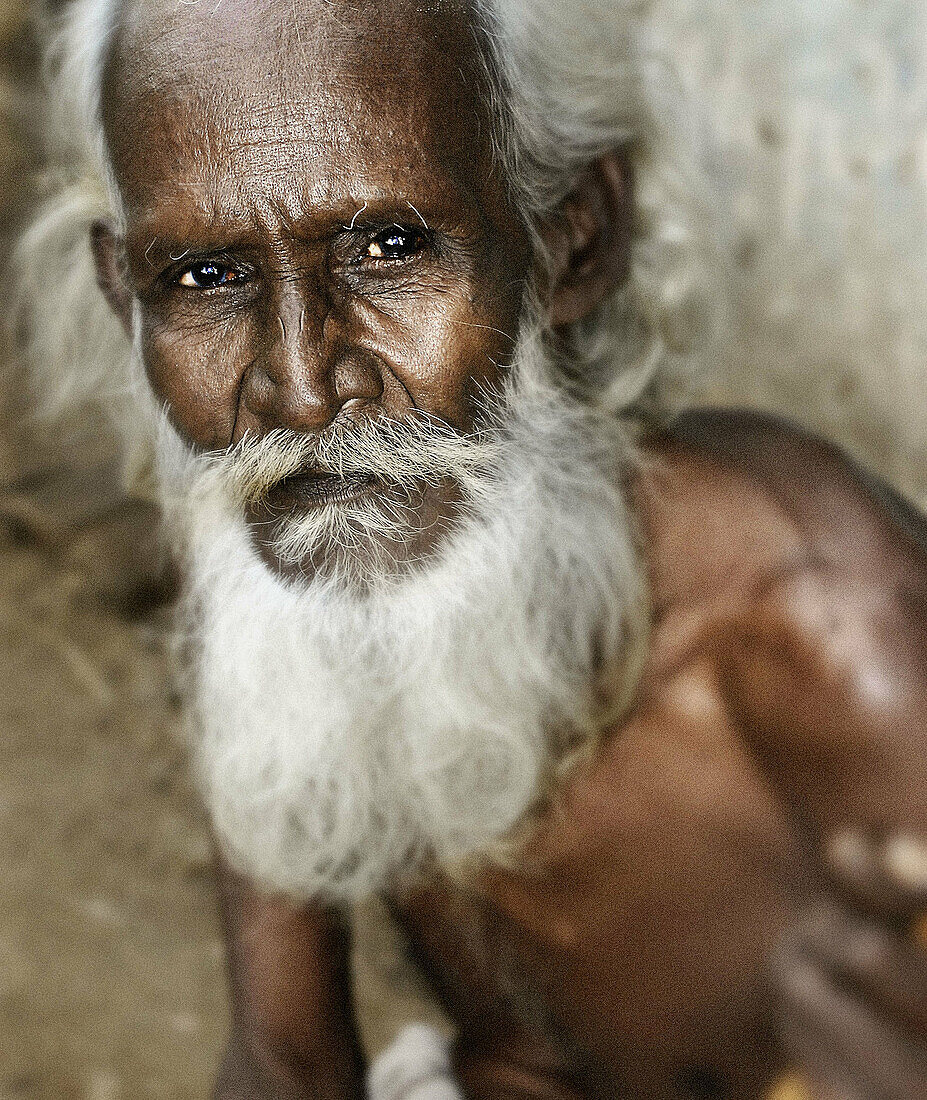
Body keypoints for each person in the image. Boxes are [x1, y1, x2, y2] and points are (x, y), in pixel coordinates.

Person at [13, 0, 927, 1097]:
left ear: (571, 237)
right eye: (207, 277)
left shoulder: (833, 634)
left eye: (391, 247)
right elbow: (287, 1057)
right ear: (126, 293)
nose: (301, 388)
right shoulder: (309, 549)